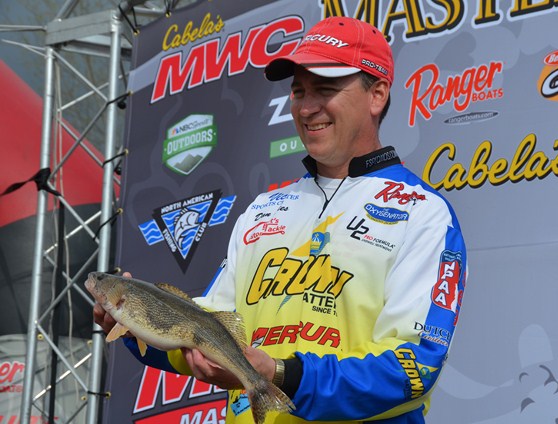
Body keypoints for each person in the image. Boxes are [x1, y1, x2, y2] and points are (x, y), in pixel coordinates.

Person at [93, 16, 467, 423]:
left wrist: (285, 374)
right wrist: (135, 321)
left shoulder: (422, 212)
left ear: (377, 94)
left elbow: (414, 367)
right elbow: (201, 332)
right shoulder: (264, 209)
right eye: (298, 91)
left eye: (325, 89)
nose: (306, 108)